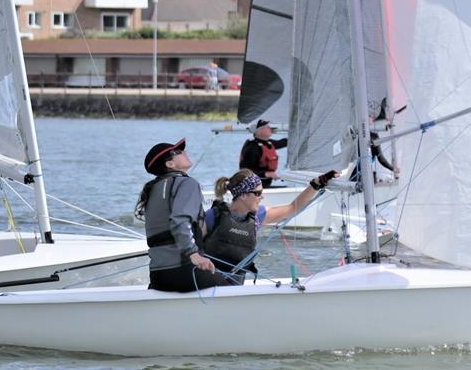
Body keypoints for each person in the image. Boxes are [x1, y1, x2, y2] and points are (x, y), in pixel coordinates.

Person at [202, 168, 339, 283]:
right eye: (258, 193)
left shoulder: (258, 215)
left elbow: (292, 208)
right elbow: (191, 249)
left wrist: (316, 184)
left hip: (234, 286)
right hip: (207, 284)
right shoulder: (213, 216)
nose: (262, 197)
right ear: (243, 195)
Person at [135, 138, 226, 292]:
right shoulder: (187, 183)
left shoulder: (152, 189)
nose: (184, 152)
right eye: (178, 152)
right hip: (184, 269)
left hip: (158, 275)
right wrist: (193, 254)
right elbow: (180, 221)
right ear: (169, 164)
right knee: (232, 285)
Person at [239, 119, 288, 188]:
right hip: (251, 188)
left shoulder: (268, 143)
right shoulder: (252, 148)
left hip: (263, 186)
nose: (270, 129)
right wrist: (266, 174)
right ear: (259, 131)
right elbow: (246, 172)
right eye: (267, 127)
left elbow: (283, 142)